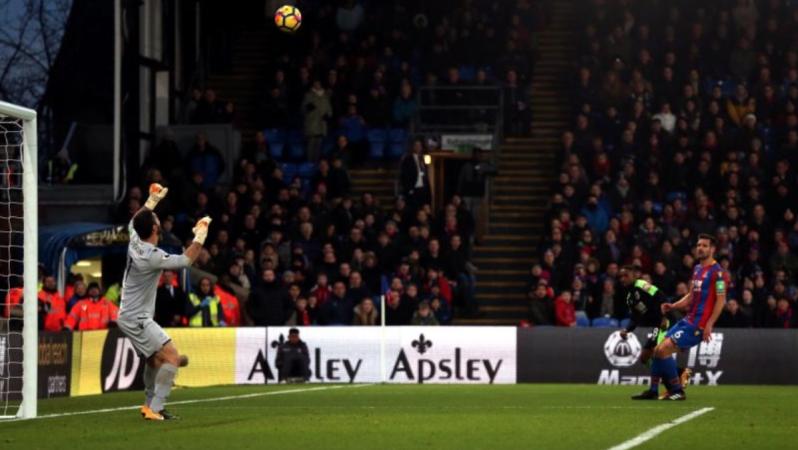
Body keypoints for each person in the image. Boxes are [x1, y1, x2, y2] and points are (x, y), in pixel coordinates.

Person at [117, 183, 211, 420]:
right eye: (156, 218)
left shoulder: (134, 241)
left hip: (130, 315)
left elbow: (135, 220)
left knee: (152, 360)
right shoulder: (153, 256)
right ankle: (155, 408)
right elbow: (186, 260)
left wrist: (152, 199)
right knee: (171, 357)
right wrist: (200, 234)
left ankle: (148, 405)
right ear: (156, 228)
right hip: (137, 317)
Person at [637, 234, 729, 401]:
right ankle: (653, 390)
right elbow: (691, 296)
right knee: (657, 350)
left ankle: (677, 391)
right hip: (687, 320)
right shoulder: (697, 269)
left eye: (705, 245)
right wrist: (673, 305)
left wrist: (709, 324)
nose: (700, 248)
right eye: (699, 245)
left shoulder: (718, 273)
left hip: (698, 325)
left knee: (663, 350)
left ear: (712, 249)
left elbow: (721, 301)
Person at [617, 266, 691, 399]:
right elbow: (635, 317)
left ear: (634, 275)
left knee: (657, 351)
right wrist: (626, 330)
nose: (623, 279)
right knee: (645, 357)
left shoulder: (641, 285)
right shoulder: (629, 297)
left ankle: (674, 389)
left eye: (626, 275)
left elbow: (660, 296)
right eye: (620, 276)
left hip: (665, 321)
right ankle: (676, 374)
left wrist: (664, 316)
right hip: (657, 325)